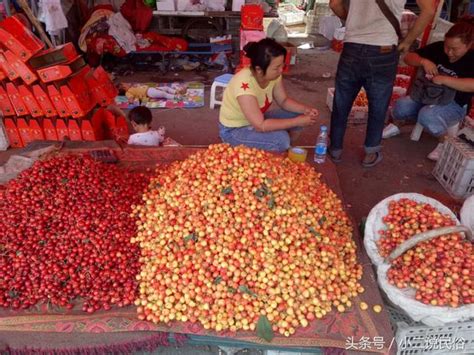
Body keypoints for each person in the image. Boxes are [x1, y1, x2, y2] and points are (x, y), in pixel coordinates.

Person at [328, 0, 434, 167]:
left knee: (342, 102)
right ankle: (370, 153)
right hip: (383, 48)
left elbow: (334, 4)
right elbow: (428, 11)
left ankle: (335, 149)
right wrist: (407, 41)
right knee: (378, 105)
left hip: (353, 46)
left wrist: (354, 22)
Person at [383, 17, 474, 161]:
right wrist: (423, 61)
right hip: (427, 96)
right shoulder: (438, 48)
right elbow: (408, 58)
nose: (449, 52)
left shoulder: (471, 59)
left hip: (454, 105)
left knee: (428, 115)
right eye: (447, 46)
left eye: (455, 49)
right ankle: (397, 125)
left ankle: (444, 142)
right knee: (402, 105)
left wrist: (445, 79)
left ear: (468, 45)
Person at [218, 38, 319, 152]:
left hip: (257, 119)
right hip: (234, 130)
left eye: (282, 65)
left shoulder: (273, 75)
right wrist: (297, 122)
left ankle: (280, 148)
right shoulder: (243, 84)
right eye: (276, 68)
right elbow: (260, 125)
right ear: (259, 69)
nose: (281, 70)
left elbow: (283, 101)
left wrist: (305, 110)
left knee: (297, 114)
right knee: (280, 140)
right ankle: (278, 147)